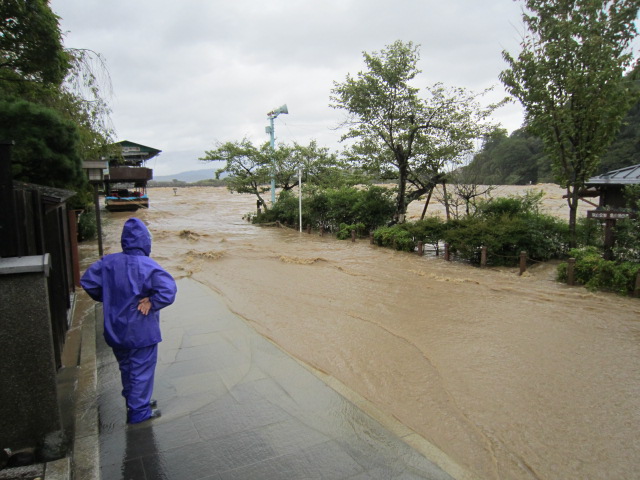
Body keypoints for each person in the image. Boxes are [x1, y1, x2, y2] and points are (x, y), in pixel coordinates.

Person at [81, 217, 177, 424]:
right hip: (141, 329)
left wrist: (108, 296)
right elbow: (168, 291)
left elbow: (87, 281)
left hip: (114, 328)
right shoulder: (148, 265)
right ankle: (139, 411)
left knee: (127, 367)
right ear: (145, 241)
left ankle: (135, 400)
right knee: (141, 369)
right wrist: (152, 301)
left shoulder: (108, 263)